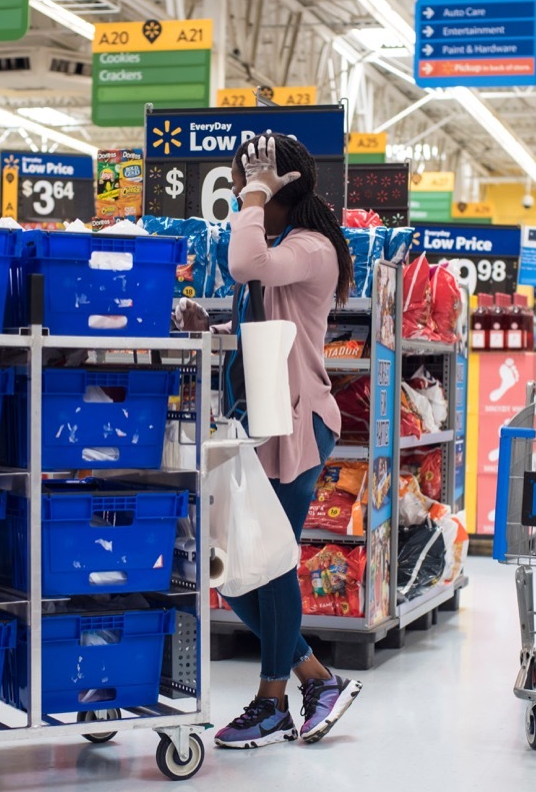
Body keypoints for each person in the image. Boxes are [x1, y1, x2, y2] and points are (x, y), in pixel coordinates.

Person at [175, 134, 361, 749]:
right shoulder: (288, 247)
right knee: (233, 567)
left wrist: (254, 192)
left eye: (248, 182)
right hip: (261, 422)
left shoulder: (311, 248)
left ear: (282, 188)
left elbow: (244, 264)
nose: (240, 192)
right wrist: (217, 323)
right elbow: (266, 314)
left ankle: (271, 698)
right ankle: (316, 678)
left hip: (298, 424)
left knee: (270, 561)